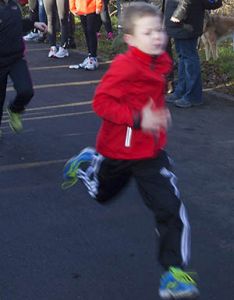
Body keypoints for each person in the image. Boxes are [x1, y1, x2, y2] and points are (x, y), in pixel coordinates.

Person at [62, 2, 199, 299]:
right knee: (102, 196)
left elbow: (149, 99)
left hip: (150, 153)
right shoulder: (125, 66)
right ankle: (89, 163)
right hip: (118, 152)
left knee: (170, 206)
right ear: (131, 40)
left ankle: (173, 273)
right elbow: (101, 103)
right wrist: (139, 119)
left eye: (160, 30)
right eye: (148, 32)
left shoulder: (161, 62)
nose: (157, 37)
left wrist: (158, 117)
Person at [0, 0, 47, 138]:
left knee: (26, 91)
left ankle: (15, 109)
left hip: (16, 58)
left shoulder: (14, 5)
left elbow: (16, 23)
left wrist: (34, 24)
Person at [163, 0, 205, 108]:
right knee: (183, 56)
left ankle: (193, 96)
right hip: (182, 23)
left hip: (186, 21)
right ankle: (181, 91)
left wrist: (178, 14)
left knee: (189, 58)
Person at [69, 0, 103, 70]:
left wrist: (98, 6)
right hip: (81, 8)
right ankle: (90, 55)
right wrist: (72, 7)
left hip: (92, 7)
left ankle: (93, 57)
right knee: (86, 32)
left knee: (91, 31)